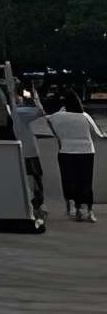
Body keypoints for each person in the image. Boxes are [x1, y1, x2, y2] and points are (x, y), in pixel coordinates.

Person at [46, 92, 103, 222]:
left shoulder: (56, 117)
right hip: (86, 151)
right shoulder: (84, 116)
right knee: (86, 182)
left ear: (64, 104)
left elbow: (48, 125)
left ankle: (75, 208)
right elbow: (97, 134)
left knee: (69, 180)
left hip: (66, 151)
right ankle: (89, 211)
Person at [9, 86, 50, 222]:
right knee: (35, 179)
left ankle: (32, 205)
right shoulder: (20, 112)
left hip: (21, 151)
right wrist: (35, 96)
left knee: (28, 179)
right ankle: (38, 206)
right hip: (30, 152)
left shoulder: (13, 112)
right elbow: (41, 111)